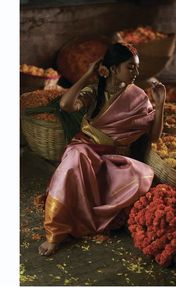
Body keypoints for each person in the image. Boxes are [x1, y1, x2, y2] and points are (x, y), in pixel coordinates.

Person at [38, 42, 166, 256]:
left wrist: (161, 105)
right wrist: (87, 76)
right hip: (84, 149)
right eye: (130, 67)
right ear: (114, 69)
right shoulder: (94, 92)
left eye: (136, 67)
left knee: (140, 175)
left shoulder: (139, 98)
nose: (136, 72)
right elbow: (66, 105)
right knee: (76, 158)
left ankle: (88, 214)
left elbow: (154, 136)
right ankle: (55, 231)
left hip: (111, 157)